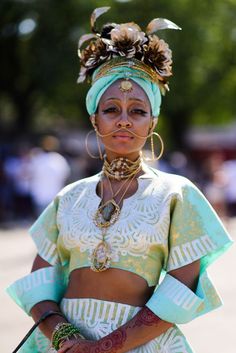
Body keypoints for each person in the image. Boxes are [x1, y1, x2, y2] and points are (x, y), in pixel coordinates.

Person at [7, 7, 233, 353]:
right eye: (111, 109)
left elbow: (180, 290)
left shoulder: (177, 194)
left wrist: (104, 348)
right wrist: (68, 340)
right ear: (95, 119)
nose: (124, 120)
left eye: (138, 111)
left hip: (140, 345)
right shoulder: (69, 197)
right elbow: (38, 286)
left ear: (152, 122)